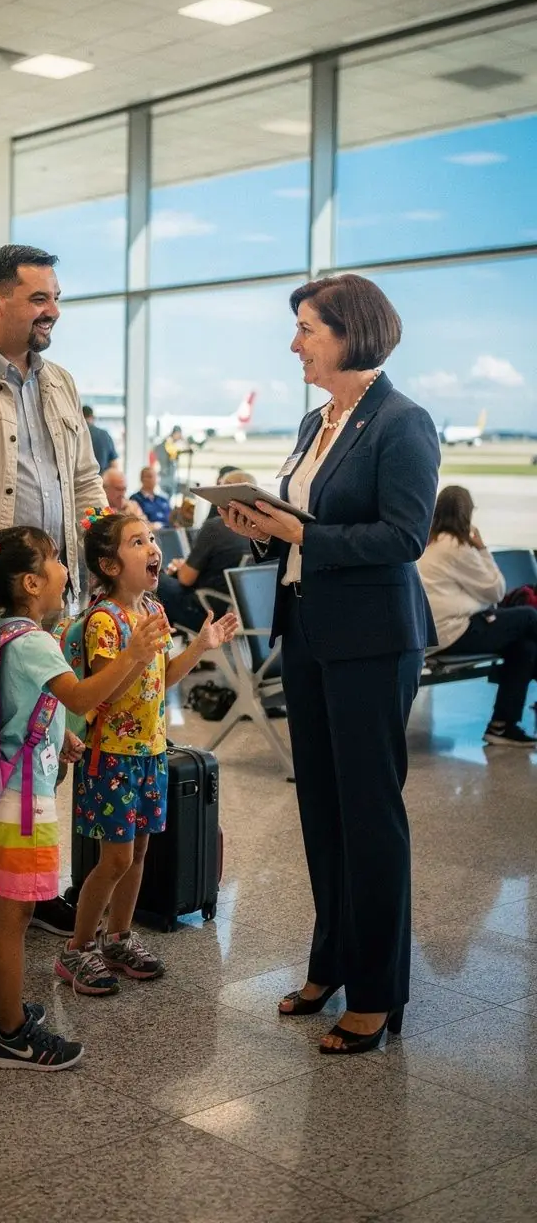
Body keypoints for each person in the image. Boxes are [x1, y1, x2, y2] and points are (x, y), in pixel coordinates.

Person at [220, 273, 440, 1056]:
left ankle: (378, 991)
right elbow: (304, 521)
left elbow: (403, 538)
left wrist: (305, 536)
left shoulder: (402, 423)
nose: (295, 344)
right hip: (310, 630)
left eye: (307, 329)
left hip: (374, 640)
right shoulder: (319, 420)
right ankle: (331, 961)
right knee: (320, 806)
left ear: (349, 333)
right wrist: (261, 528)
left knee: (370, 815)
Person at [0, 243, 107, 959]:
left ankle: (28, 891)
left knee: (44, 754)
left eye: (56, 297)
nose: (53, 312)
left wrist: (101, 556)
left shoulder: (60, 383)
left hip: (50, 609)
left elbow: (88, 482)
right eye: (39, 298)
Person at [0, 525, 167, 1070]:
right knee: (16, 914)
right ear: (31, 583)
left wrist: (63, 735)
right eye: (53, 560)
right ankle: (12, 1034)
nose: (63, 568)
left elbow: (21, 709)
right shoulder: (34, 641)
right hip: (24, 801)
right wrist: (135, 655)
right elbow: (82, 693)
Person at [55, 510, 237, 995]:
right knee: (113, 859)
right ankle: (78, 949)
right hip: (111, 757)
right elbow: (102, 694)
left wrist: (199, 645)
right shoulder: (105, 621)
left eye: (151, 539)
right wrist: (135, 654)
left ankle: (118, 937)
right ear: (110, 565)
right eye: (137, 542)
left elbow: (163, 678)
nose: (153, 548)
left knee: (138, 852)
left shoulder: (151, 610)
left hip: (151, 752)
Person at [418, 485, 536, 746]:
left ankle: (501, 726)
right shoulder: (456, 547)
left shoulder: (431, 542)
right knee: (529, 616)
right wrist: (482, 549)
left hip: (433, 633)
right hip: (451, 633)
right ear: (466, 514)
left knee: (524, 648)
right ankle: (503, 724)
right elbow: (496, 590)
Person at [157, 469, 253, 632]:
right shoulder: (260, 531)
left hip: (206, 609)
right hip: (239, 610)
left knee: (156, 581)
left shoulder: (215, 527)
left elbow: (186, 579)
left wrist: (182, 567)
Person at [130, 465, 171, 529]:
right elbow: (137, 523)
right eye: (150, 476)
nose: (153, 479)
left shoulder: (163, 500)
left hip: (168, 534)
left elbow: (171, 521)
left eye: (155, 476)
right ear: (142, 479)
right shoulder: (134, 499)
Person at [83, 405, 118, 475]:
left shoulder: (76, 435)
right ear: (92, 417)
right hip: (102, 481)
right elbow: (114, 464)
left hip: (81, 482)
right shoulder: (104, 434)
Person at [154, 425, 184, 497]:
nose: (179, 437)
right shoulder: (169, 442)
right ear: (175, 433)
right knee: (165, 496)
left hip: (168, 475)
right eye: (179, 434)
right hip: (166, 475)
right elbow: (172, 455)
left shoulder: (169, 442)